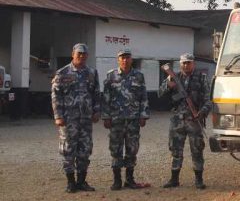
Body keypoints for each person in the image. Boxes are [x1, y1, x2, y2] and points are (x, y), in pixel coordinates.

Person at [52, 43, 101, 193]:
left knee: (85, 150)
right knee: (68, 150)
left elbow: (96, 94)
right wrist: (58, 116)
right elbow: (56, 95)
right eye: (79, 53)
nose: (82, 56)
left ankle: (81, 181)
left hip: (86, 120)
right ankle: (71, 183)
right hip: (68, 120)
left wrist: (96, 111)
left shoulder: (92, 73)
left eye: (84, 54)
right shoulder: (62, 72)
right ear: (73, 54)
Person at [158, 54, 211, 189]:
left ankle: (198, 180)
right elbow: (160, 94)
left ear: (193, 64)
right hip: (177, 120)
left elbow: (208, 100)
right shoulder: (173, 77)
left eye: (188, 63)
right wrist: (168, 86)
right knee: (175, 150)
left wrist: (202, 112)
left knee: (197, 150)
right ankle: (174, 179)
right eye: (183, 63)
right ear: (180, 64)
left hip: (194, 119)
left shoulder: (201, 78)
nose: (186, 65)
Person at [103, 49, 149, 190]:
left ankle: (129, 180)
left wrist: (143, 115)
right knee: (116, 149)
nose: (125, 60)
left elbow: (144, 97)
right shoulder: (111, 76)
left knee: (132, 149)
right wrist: (106, 116)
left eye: (127, 57)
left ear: (131, 60)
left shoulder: (139, 76)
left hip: (133, 120)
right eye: (122, 58)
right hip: (116, 120)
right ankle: (117, 181)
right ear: (118, 59)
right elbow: (105, 98)